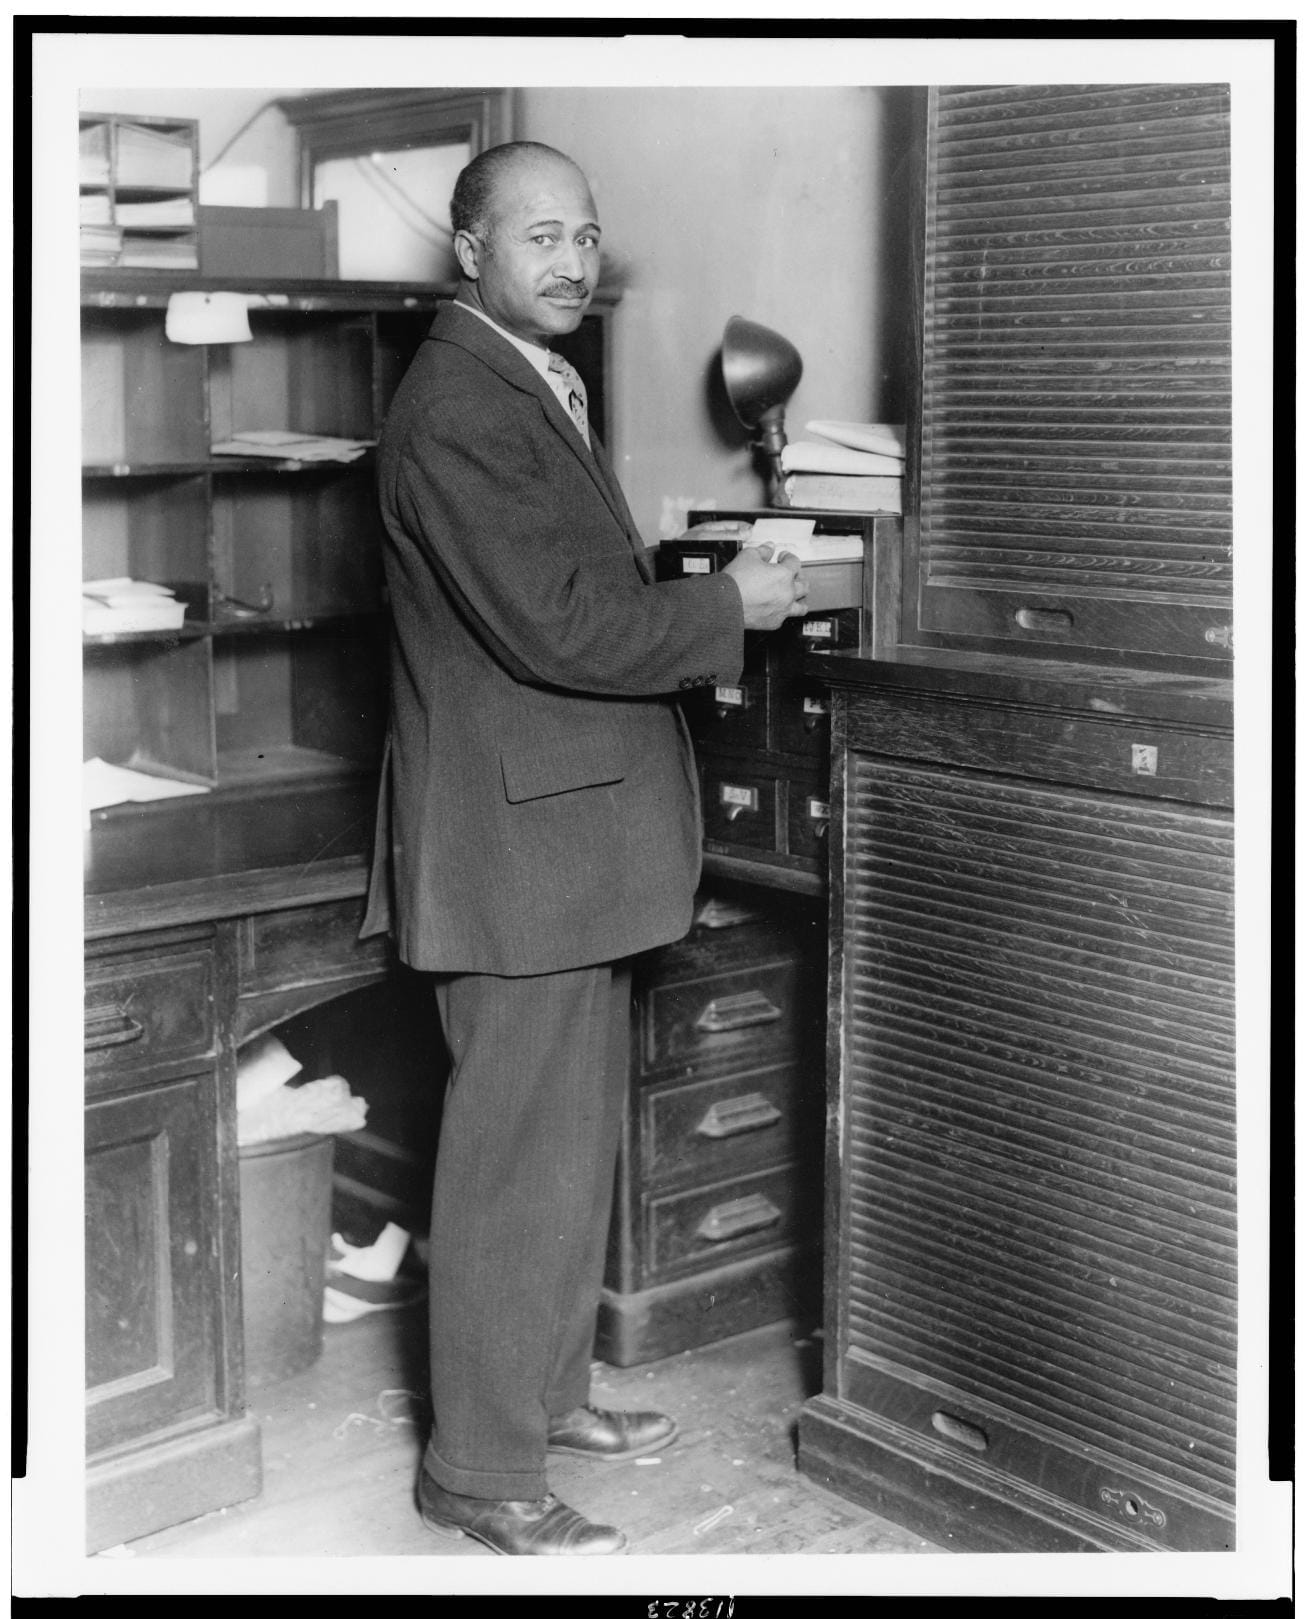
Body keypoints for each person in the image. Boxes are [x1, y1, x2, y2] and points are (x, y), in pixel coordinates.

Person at [360, 139, 807, 1556]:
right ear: (470, 251)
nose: (570, 260)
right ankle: (479, 1470)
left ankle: (542, 1402)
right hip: (520, 848)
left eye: (585, 234)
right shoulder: (456, 405)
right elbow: (553, 626)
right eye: (538, 235)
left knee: (558, 1152)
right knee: (513, 1163)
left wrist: (697, 591)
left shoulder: (521, 378)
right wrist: (729, 607)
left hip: (563, 839)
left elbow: (558, 592)